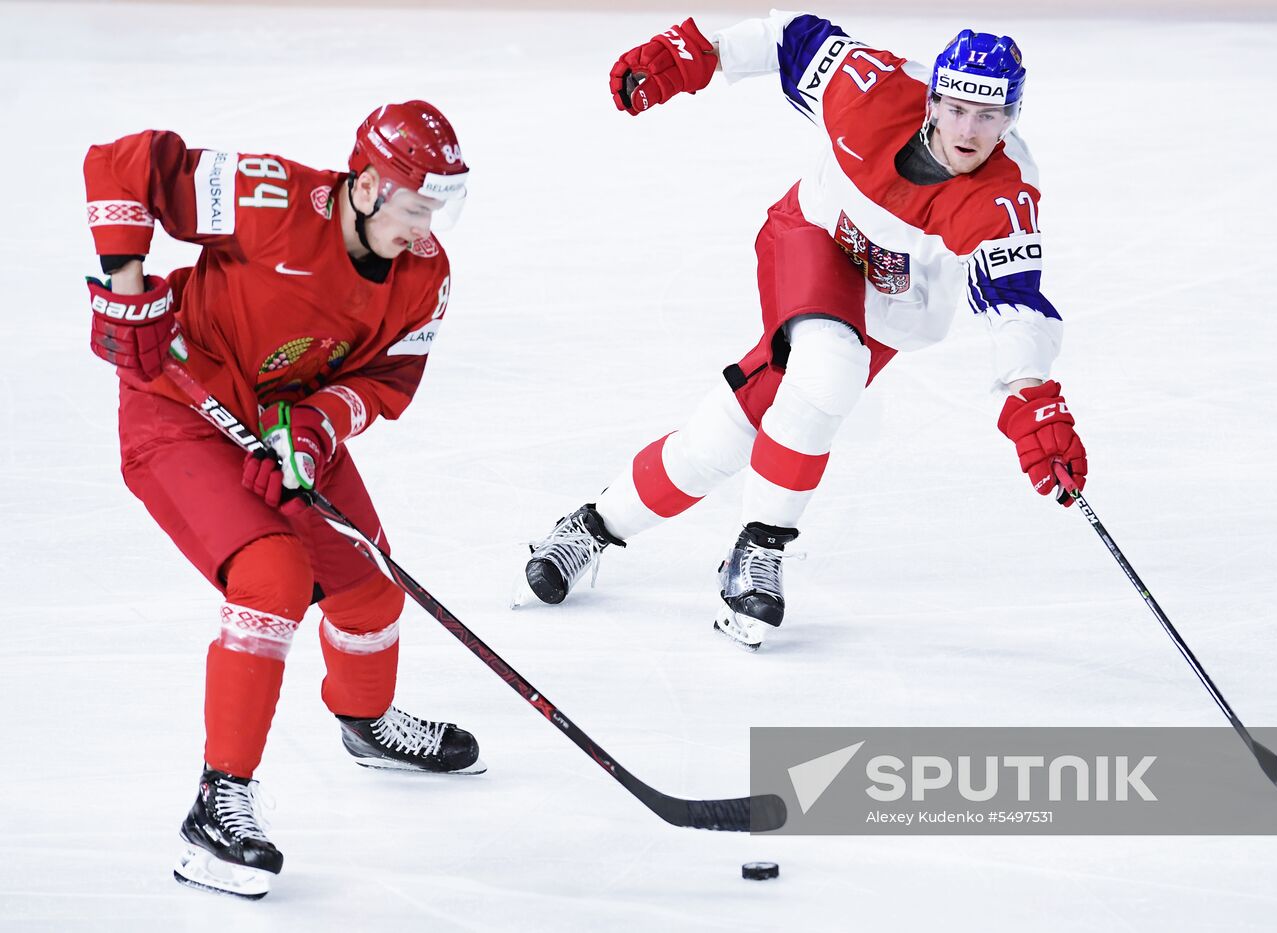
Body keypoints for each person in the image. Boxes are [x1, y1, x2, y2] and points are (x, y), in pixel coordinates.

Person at [522, 14, 1088, 651]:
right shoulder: (867, 87)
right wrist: (694, 55)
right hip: (812, 239)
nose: (968, 129)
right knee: (829, 369)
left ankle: (593, 525)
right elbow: (789, 37)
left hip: (887, 304)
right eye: (957, 107)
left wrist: (1032, 393)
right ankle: (759, 552)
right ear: (932, 96)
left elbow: (1014, 299)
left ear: (1012, 117)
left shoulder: (1005, 196)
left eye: (988, 116)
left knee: (728, 436)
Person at [84, 101, 480, 900]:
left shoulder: (426, 276)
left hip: (285, 420)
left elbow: (387, 383)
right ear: (366, 187)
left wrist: (316, 429)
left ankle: (367, 724)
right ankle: (216, 803)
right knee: (272, 579)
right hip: (180, 413)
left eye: (436, 207)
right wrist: (126, 288)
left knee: (369, 588)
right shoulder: (265, 198)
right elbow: (120, 163)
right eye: (414, 205)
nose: (426, 225)